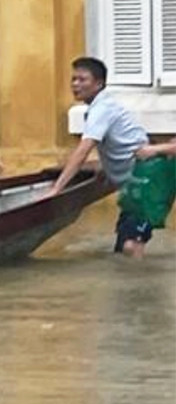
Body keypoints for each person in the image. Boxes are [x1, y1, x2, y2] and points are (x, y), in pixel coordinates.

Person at [42, 57, 154, 257]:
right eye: (73, 79)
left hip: (147, 183)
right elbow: (118, 143)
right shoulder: (99, 108)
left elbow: (83, 151)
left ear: (99, 83)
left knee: (130, 247)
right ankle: (135, 286)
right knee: (123, 250)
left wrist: (57, 189)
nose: (75, 85)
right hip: (136, 187)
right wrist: (104, 167)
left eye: (82, 80)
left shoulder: (101, 110)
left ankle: (141, 286)